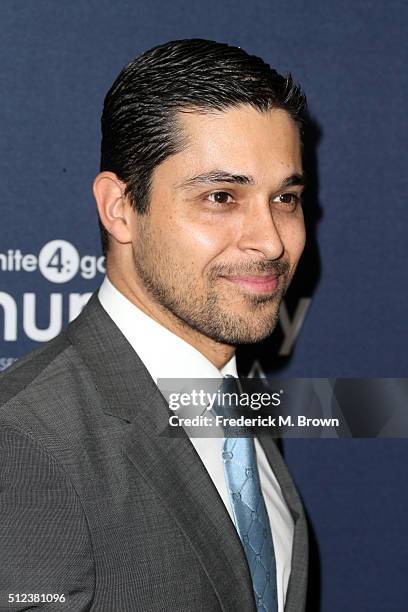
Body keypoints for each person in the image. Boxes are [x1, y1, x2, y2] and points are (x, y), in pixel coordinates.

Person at [0, 39, 308, 611]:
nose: (270, 240)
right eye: (221, 196)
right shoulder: (21, 442)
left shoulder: (242, 404)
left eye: (285, 198)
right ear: (120, 207)